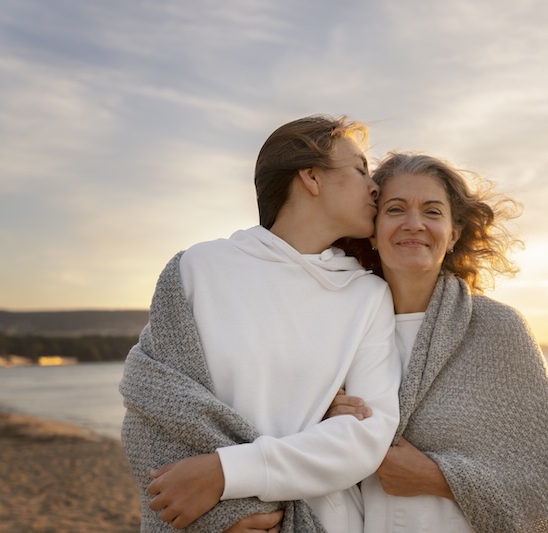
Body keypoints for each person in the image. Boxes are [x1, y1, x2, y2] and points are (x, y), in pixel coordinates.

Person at [120, 115, 402, 533]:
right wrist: (224, 518)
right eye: (360, 170)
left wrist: (226, 473)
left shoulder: (367, 295)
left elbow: (366, 436)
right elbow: (153, 405)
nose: (374, 185)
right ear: (311, 177)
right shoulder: (199, 268)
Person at [329, 152, 548, 532]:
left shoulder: (498, 329)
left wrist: (439, 478)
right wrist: (326, 423)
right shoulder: (338, 329)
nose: (414, 224)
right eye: (395, 209)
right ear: (372, 230)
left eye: (433, 212)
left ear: (454, 234)